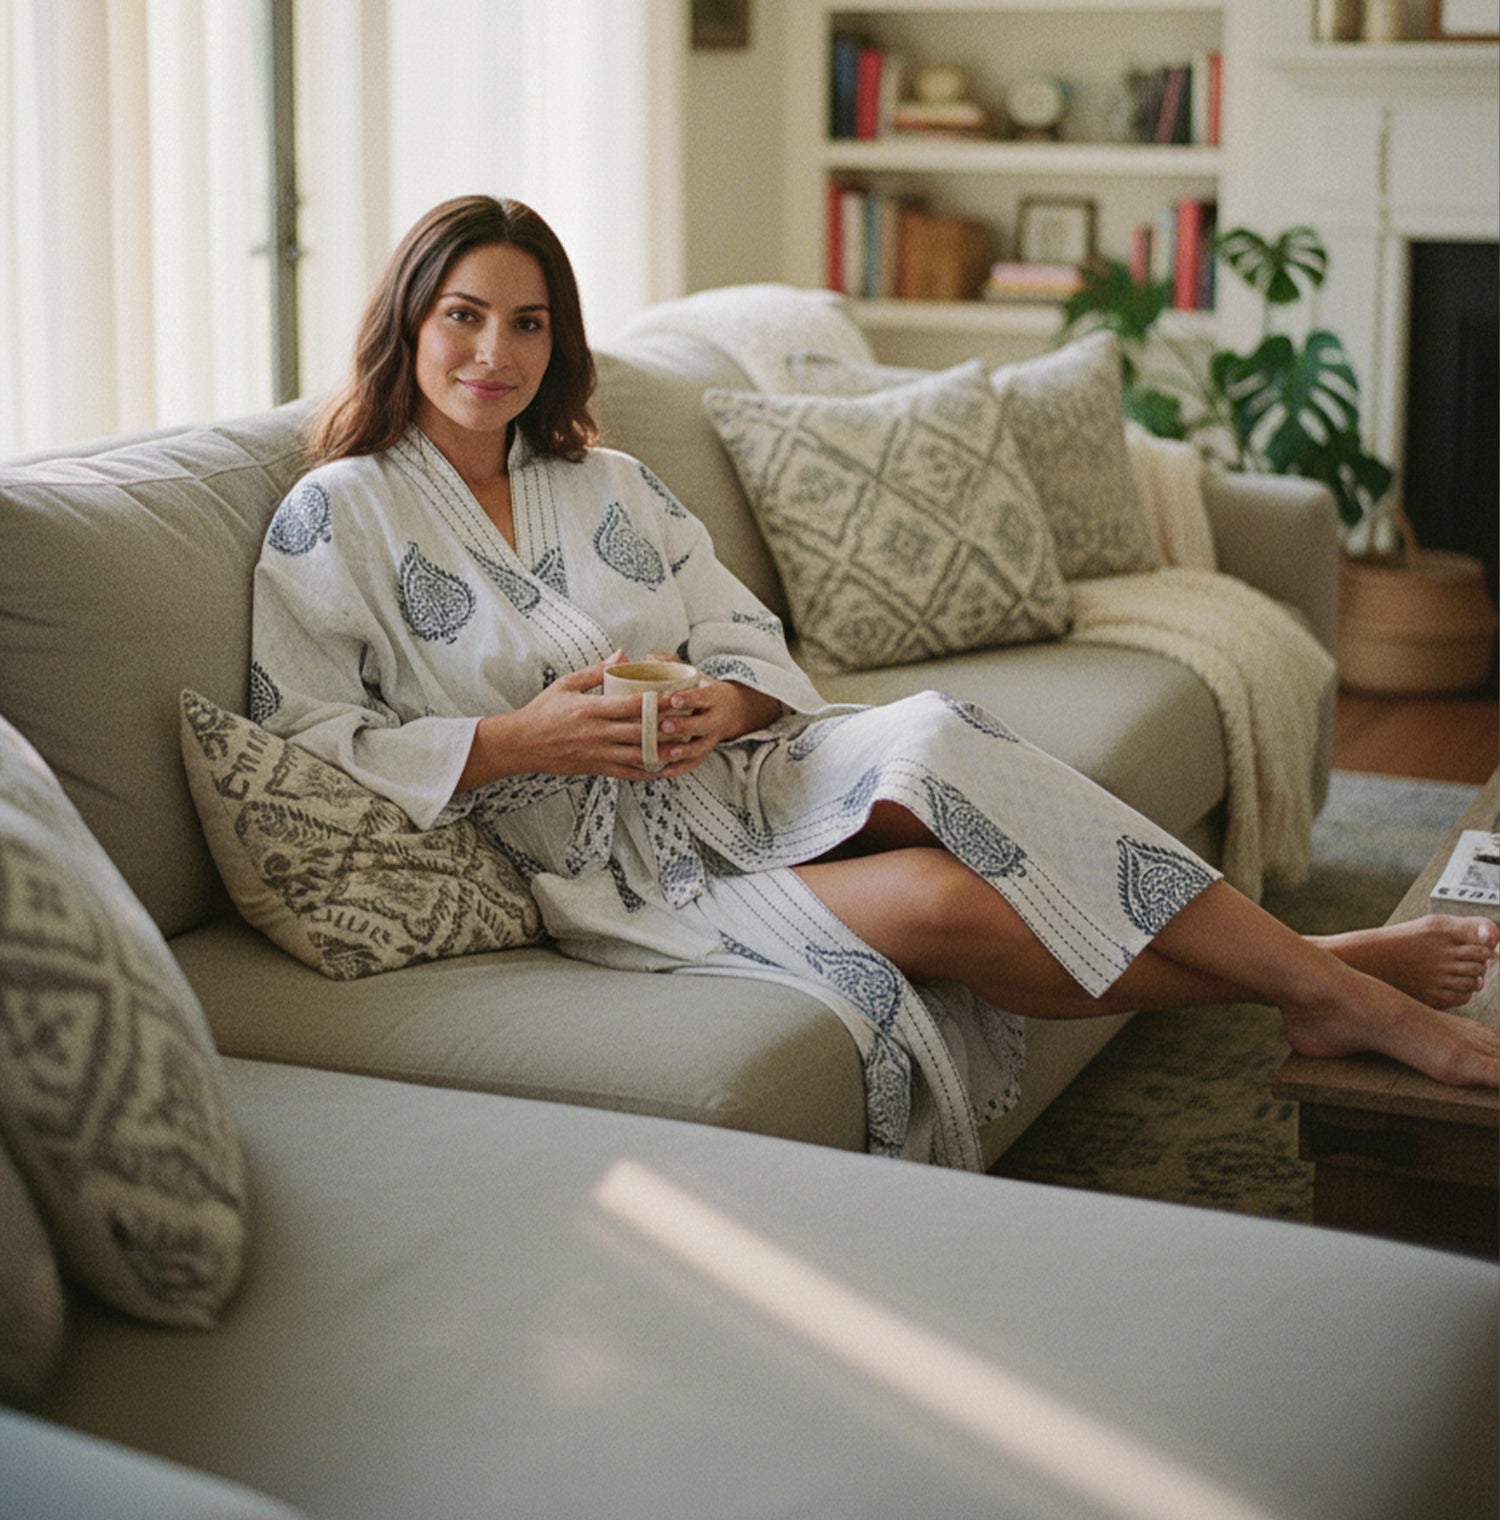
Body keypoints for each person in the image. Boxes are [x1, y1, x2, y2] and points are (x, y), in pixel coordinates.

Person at [251, 196, 1500, 1166]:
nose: (495, 350)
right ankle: (1325, 973)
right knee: (952, 906)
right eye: (465, 314)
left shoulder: (604, 480)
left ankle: (1332, 989)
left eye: (528, 322)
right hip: (618, 870)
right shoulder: (337, 516)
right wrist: (521, 739)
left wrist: (724, 701)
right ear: (411, 318)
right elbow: (302, 735)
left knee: (938, 739)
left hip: (739, 771)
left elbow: (740, 630)